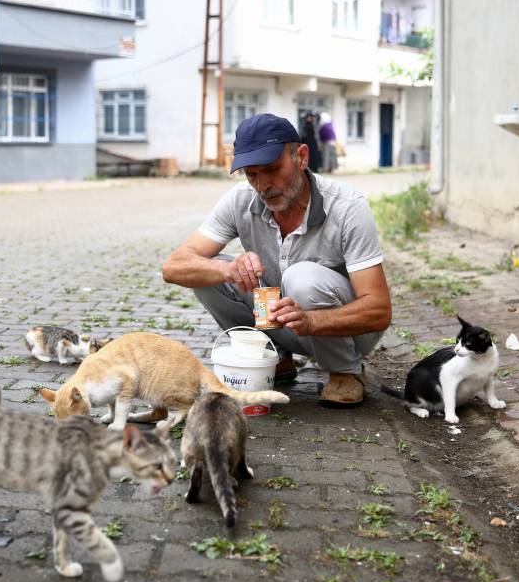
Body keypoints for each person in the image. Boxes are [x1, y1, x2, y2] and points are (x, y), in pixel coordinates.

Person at [162, 113, 392, 408]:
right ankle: (275, 358)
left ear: (301, 156)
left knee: (302, 278)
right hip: (285, 323)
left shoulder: (347, 207)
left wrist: (312, 320)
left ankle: (345, 372)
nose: (263, 185)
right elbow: (174, 267)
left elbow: (379, 311)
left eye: (272, 169)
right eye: (252, 174)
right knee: (209, 273)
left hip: (345, 333)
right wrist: (226, 269)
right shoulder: (241, 200)